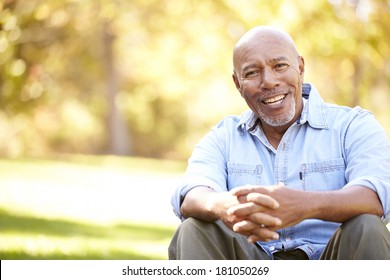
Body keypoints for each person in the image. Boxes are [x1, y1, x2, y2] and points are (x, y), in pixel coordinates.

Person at [169, 26, 390, 260]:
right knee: (194, 228)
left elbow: (376, 195)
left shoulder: (352, 125)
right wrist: (224, 205)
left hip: (333, 260)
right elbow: (192, 195)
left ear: (300, 68)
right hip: (253, 263)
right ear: (238, 83)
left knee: (367, 225)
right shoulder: (225, 136)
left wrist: (306, 205)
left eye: (279, 66)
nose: (269, 81)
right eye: (252, 72)